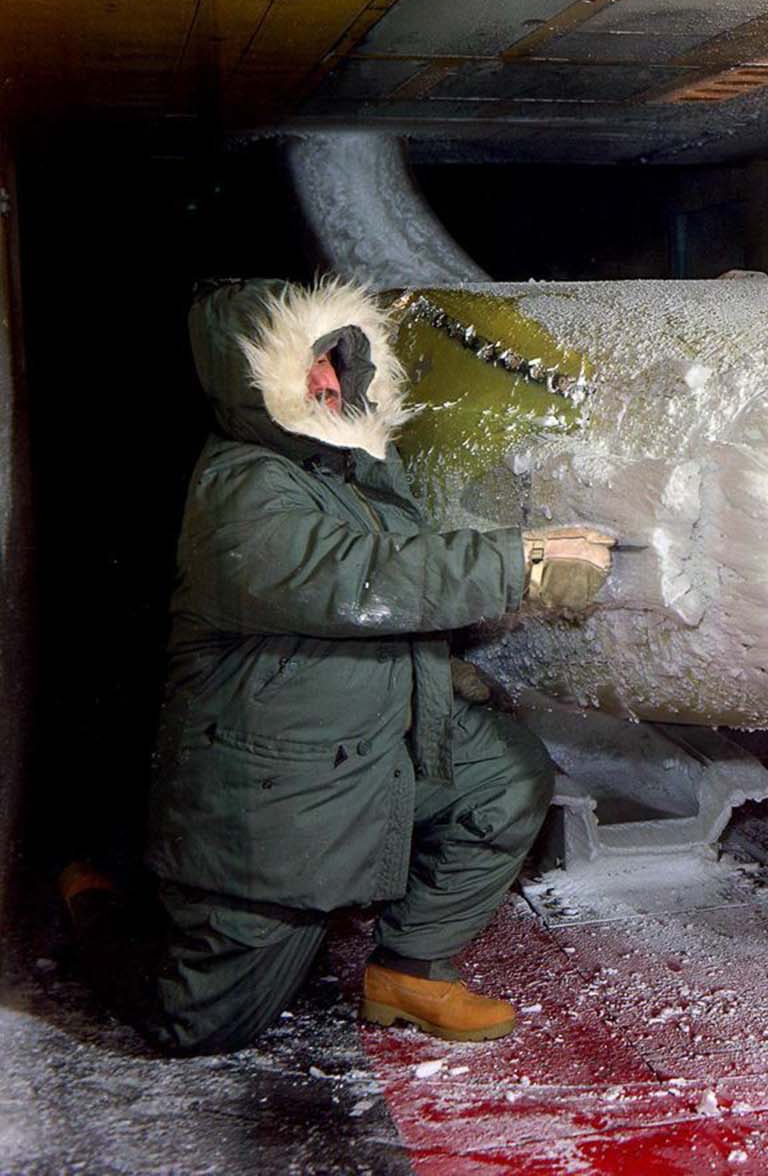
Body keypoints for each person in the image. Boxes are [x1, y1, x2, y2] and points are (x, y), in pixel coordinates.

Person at [60, 277, 615, 1054]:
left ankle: (410, 969)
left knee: (502, 775)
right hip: (274, 796)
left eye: (332, 358)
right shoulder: (239, 491)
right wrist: (518, 566)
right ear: (249, 379)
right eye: (303, 367)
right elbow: (360, 578)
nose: (325, 381)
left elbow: (382, 596)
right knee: (198, 1022)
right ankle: (96, 904)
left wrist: (434, 677)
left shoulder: (348, 470)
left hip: (365, 749)